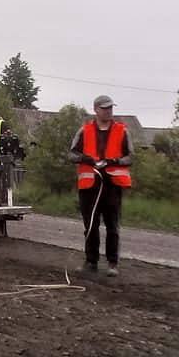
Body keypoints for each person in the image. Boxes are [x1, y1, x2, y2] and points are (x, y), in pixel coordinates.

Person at [68, 95, 133, 276]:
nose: (108, 111)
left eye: (110, 108)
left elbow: (131, 156)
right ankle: (91, 262)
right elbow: (71, 154)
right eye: (105, 108)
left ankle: (113, 263)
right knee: (90, 226)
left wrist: (115, 161)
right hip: (90, 186)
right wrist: (85, 159)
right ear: (96, 109)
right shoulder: (85, 130)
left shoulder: (122, 130)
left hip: (112, 186)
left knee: (113, 226)